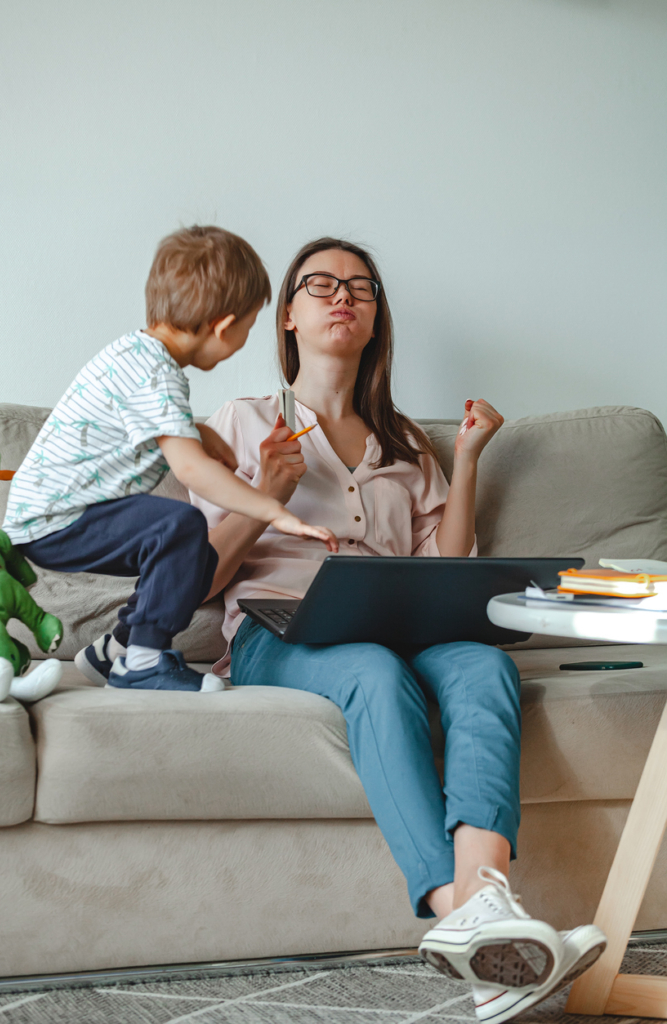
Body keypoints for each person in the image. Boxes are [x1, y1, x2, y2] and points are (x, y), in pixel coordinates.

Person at [190, 237, 606, 1023]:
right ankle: (465, 915)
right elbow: (200, 582)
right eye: (320, 285)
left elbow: (445, 574)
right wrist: (263, 491)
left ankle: (485, 911)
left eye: (361, 287)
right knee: (372, 670)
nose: (342, 295)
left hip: (402, 628)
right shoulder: (237, 424)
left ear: (377, 316)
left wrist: (471, 458)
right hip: (279, 636)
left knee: (483, 664)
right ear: (286, 316)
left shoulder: (407, 442)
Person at [3, 226, 336, 693]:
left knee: (192, 555)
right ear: (224, 325)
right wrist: (277, 512)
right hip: (56, 519)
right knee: (181, 525)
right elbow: (191, 470)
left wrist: (199, 432)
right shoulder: (157, 372)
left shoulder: (138, 355)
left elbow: (149, 422)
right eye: (248, 326)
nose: (243, 339)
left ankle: (115, 648)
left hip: (52, 515)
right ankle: (141, 660)